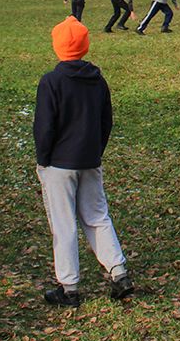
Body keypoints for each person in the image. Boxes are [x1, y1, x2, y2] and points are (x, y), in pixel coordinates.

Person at [34, 16, 134, 306]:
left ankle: (69, 288)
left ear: (57, 47)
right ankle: (119, 272)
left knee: (63, 223)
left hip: (59, 164)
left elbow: (44, 126)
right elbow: (106, 121)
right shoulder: (97, 81)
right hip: (90, 160)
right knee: (97, 216)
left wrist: (43, 159)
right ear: (85, 46)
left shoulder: (51, 82)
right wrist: (95, 151)